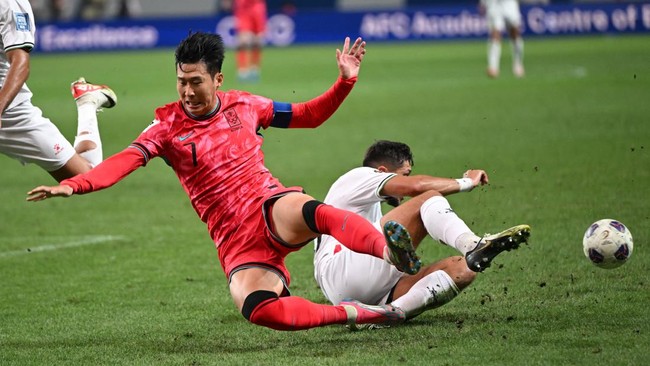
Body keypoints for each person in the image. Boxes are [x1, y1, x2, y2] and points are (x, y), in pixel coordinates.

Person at [26, 32, 423, 331]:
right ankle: (361, 313)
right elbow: (122, 163)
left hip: (266, 203)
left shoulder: (245, 105)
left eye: (196, 81)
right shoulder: (165, 129)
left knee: (312, 211)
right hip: (234, 238)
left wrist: (344, 82)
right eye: (181, 81)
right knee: (261, 310)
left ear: (217, 79)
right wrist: (74, 184)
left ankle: (388, 253)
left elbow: (308, 115)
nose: (187, 91)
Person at [314, 140, 531, 326]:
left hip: (364, 287)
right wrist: (468, 182)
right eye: (404, 174)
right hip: (340, 269)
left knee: (463, 269)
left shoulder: (366, 204)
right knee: (428, 197)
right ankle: (472, 244)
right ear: (381, 171)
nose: (407, 179)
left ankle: (390, 312)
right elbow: (416, 186)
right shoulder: (360, 176)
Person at [1, 0, 117, 183]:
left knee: (86, 177)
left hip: (10, 113)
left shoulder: (10, 3)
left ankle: (87, 102)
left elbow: (21, 63)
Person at [221, 0, 267, 82]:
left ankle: (254, 70)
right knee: (243, 41)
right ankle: (242, 71)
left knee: (258, 41)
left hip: (257, 6)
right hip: (243, 8)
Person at [479, 0, 525, 78]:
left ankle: (518, 63)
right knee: (495, 34)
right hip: (494, 4)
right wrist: (482, 3)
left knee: (515, 34)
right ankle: (493, 67)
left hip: (509, 4)